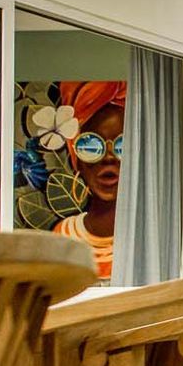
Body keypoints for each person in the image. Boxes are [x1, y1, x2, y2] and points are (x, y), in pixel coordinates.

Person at [52, 81, 126, 278]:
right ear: (75, 158)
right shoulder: (63, 235)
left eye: (123, 147)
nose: (109, 158)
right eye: (91, 146)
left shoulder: (148, 236)